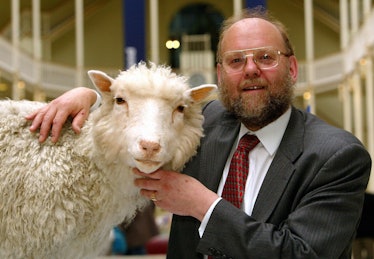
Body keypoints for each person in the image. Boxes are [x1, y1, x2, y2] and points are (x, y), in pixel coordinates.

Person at [26, 7, 371, 259]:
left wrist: (204, 205)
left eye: (266, 57)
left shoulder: (337, 156)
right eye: (236, 61)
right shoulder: (202, 121)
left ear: (291, 67)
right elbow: (143, 113)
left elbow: (301, 254)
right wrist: (89, 97)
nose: (250, 69)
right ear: (220, 75)